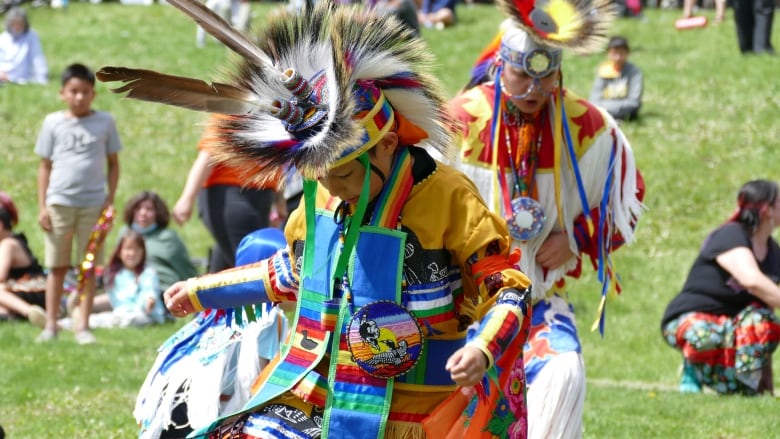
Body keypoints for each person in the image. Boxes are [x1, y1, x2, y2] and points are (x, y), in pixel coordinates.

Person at [98, 1, 534, 437]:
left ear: (387, 145)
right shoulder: (323, 198)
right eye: (322, 176)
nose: (334, 186)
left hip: (420, 408)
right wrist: (200, 290)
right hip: (315, 390)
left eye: (344, 173)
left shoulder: (447, 196)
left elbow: (509, 289)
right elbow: (292, 273)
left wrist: (483, 347)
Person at [449, 13, 645, 438]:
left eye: (547, 75)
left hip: (538, 303)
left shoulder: (586, 126)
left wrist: (578, 237)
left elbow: (627, 196)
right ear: (502, 64)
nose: (534, 89)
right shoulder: (459, 122)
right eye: (522, 75)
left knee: (564, 370)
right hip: (461, 309)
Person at [135, 227, 289, 438]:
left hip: (168, 411)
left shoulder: (217, 309)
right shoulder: (267, 317)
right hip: (202, 417)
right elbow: (262, 385)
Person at [661, 179, 780, 396]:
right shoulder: (730, 235)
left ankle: (747, 387)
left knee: (766, 323)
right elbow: (752, 280)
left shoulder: (774, 254)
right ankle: (692, 370)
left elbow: (769, 306)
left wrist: (767, 386)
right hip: (692, 319)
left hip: (733, 327)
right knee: (706, 335)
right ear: (767, 209)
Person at [35, 62, 122, 344]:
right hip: (59, 202)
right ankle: (51, 324)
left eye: (85, 92)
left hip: (93, 204)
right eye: (73, 92)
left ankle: (82, 326)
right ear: (62, 93)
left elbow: (113, 164)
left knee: (87, 267)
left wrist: (109, 199)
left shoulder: (105, 122)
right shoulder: (52, 123)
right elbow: (45, 166)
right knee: (57, 266)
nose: (79, 97)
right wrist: (43, 206)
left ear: (93, 94)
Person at [172, 115, 277, 273]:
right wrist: (187, 198)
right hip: (230, 195)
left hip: (261, 195)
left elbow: (275, 162)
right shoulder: (233, 111)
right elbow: (207, 157)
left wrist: (279, 202)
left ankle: (210, 296)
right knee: (252, 266)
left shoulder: (272, 113)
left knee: (229, 265)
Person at [84, 229, 165, 328]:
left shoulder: (148, 273)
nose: (132, 253)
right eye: (128, 249)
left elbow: (150, 292)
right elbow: (114, 298)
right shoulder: (114, 274)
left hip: (145, 315)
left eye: (137, 249)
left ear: (143, 252)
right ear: (119, 252)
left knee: (128, 319)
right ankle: (70, 321)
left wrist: (149, 302)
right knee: (94, 317)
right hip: (122, 313)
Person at [0, 191, 47, 328]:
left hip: (35, 289)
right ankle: (11, 314)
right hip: (19, 291)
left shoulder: (8, 244)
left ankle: (30, 313)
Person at [589, 36, 644, 121]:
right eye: (614, 53)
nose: (618, 58)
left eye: (621, 53)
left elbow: (634, 101)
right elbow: (594, 100)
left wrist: (607, 108)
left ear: (627, 53)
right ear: (608, 53)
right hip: (605, 109)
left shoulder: (634, 72)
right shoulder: (603, 71)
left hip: (625, 110)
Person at [0, 7, 48, 85]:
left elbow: (38, 58)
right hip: (3, 75)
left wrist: (42, 78)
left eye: (20, 24)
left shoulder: (31, 36)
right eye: (14, 24)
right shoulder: (3, 38)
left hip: (22, 77)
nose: (17, 27)